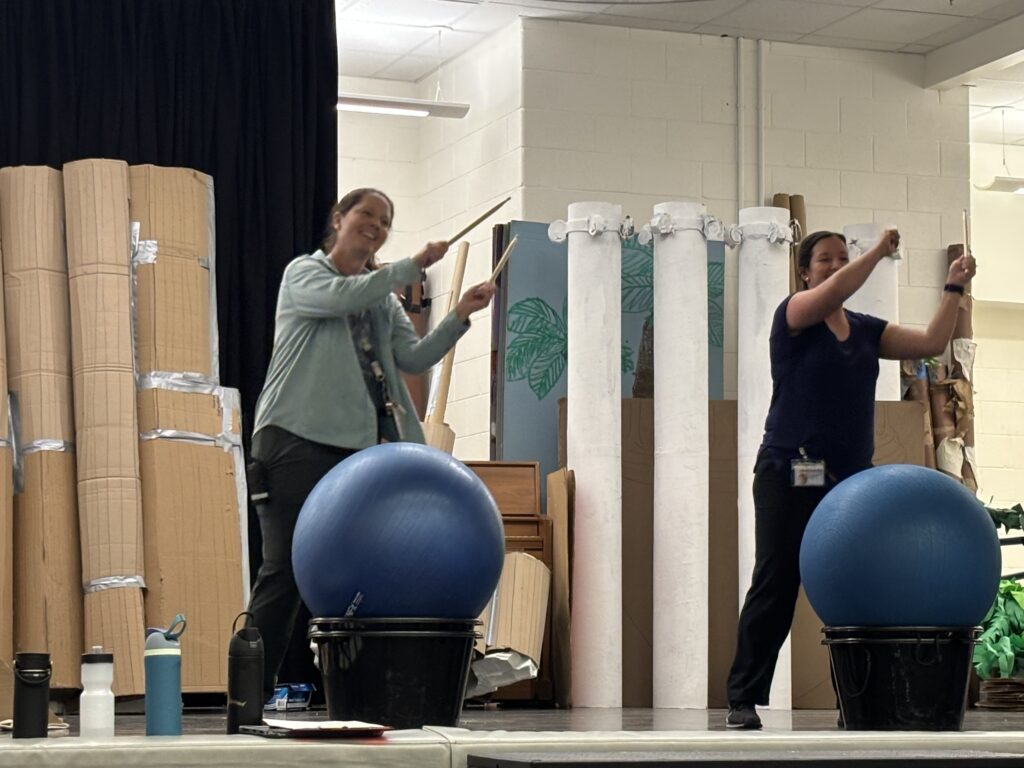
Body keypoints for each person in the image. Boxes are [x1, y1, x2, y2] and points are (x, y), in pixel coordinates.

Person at [245, 187, 495, 698]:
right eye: (367, 214)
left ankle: (363, 687)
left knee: (363, 575)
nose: (376, 225)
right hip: (295, 440)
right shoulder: (305, 274)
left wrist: (460, 315)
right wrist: (413, 265)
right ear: (338, 219)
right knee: (285, 572)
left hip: (360, 454)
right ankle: (248, 689)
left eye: (385, 220)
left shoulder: (381, 296)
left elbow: (414, 357)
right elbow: (342, 297)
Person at [725, 228, 977, 730]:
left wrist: (952, 287)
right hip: (789, 471)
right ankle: (742, 697)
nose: (836, 265)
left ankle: (860, 698)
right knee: (776, 581)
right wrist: (875, 254)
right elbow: (837, 291)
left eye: (842, 257)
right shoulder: (794, 315)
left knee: (857, 585)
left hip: (848, 482)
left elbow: (931, 341)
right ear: (804, 271)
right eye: (825, 260)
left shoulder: (865, 330)